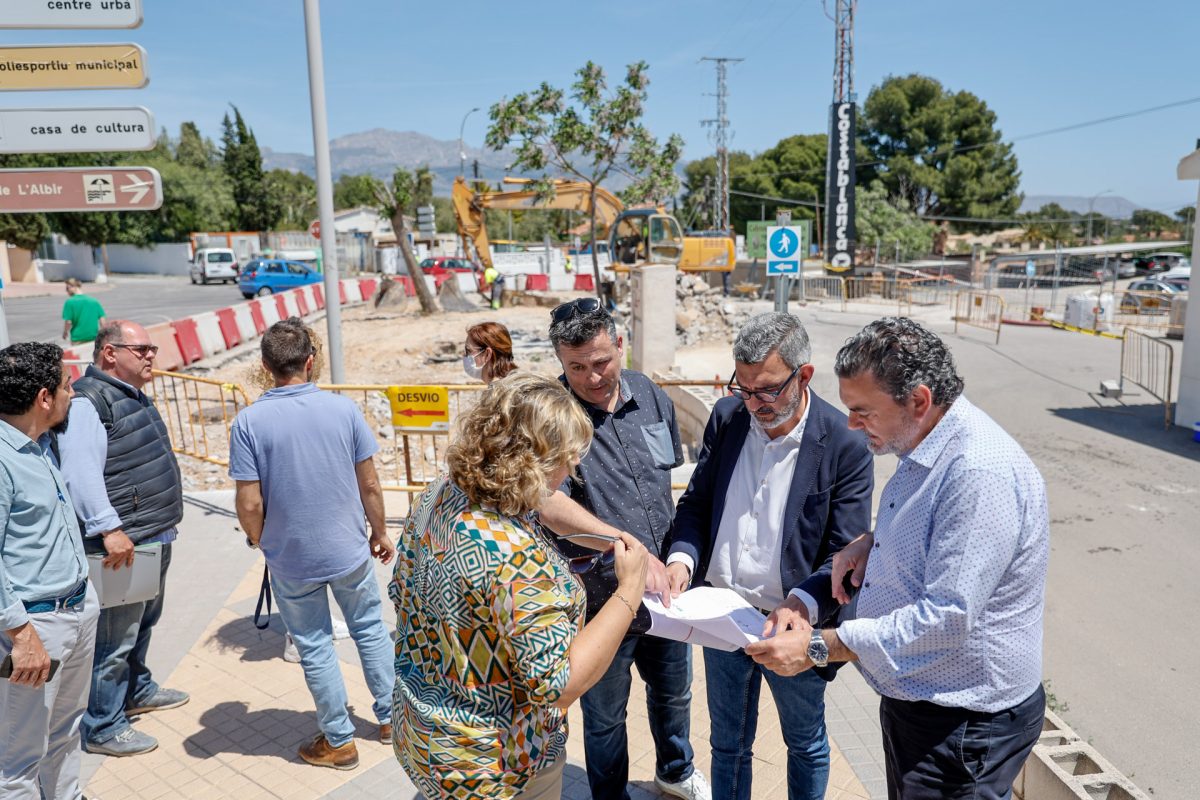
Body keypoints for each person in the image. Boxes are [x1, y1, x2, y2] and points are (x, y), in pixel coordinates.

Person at [746, 317, 1049, 800]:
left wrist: (820, 647)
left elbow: (947, 618)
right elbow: (937, 529)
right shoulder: (924, 441)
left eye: (863, 410)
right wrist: (873, 541)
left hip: (962, 725)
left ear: (920, 400)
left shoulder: (977, 473)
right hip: (922, 704)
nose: (851, 424)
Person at [390, 373, 650, 798]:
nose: (572, 470)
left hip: (424, 733)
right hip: (494, 765)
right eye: (565, 459)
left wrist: (608, 536)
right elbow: (559, 685)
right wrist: (628, 591)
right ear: (531, 463)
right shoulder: (516, 559)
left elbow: (543, 505)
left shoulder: (440, 494)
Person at [664, 312, 873, 800]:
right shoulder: (727, 416)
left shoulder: (844, 441)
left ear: (804, 376)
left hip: (793, 628)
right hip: (723, 615)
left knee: (805, 744)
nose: (754, 403)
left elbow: (847, 550)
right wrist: (682, 560)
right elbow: (696, 502)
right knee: (727, 744)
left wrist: (800, 604)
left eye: (768, 390)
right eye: (745, 388)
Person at [537, 297, 710, 800]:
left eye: (601, 362)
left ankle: (674, 771)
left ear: (617, 342)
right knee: (606, 713)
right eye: (576, 368)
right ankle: (609, 795)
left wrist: (675, 557)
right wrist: (627, 546)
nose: (592, 377)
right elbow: (548, 504)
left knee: (674, 694)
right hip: (600, 601)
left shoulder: (650, 394)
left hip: (665, 594)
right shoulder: (554, 415)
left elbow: (663, 479)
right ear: (561, 363)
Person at [229, 318, 396, 770]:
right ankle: (390, 720)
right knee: (369, 628)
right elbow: (371, 486)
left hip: (292, 559)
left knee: (315, 644)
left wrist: (261, 541)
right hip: (348, 550)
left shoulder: (248, 422)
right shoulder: (343, 411)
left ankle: (339, 740)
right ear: (310, 361)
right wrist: (379, 532)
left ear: (266, 367)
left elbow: (248, 501)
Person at [55, 321, 189, 757]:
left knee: (143, 624)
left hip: (151, 534)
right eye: (142, 348)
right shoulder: (90, 404)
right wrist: (109, 529)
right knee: (115, 641)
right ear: (110, 353)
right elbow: (80, 475)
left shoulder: (127, 393)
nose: (152, 355)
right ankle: (102, 726)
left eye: (152, 348)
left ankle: (137, 690)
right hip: (123, 543)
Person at [0, 342, 99, 799]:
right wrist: (21, 635)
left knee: (65, 732)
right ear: (43, 397)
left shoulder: (36, 445)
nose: (72, 394)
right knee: (18, 759)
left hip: (76, 610)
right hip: (36, 626)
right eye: (65, 386)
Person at [60, 279, 106, 346]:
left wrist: (65, 332)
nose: (66, 291)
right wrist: (103, 334)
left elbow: (68, 321)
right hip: (93, 337)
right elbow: (102, 319)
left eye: (67, 288)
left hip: (77, 338)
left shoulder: (70, 302)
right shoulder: (94, 301)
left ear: (74, 286)